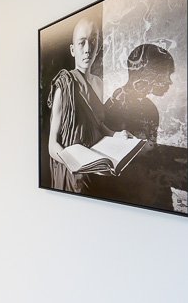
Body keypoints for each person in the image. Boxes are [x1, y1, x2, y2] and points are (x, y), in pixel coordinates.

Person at [46, 17, 128, 192]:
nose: (88, 49)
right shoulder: (65, 84)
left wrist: (116, 135)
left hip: (98, 167)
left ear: (99, 46)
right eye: (82, 43)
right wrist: (77, 163)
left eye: (93, 41)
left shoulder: (99, 84)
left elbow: (97, 125)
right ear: (72, 49)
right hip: (72, 170)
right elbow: (52, 145)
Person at [103, 43, 175, 142]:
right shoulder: (116, 104)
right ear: (145, 74)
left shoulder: (150, 108)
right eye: (165, 73)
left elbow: (151, 148)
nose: (169, 81)